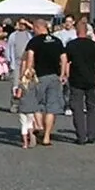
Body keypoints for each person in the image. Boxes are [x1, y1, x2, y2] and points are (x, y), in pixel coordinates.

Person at [22, 18, 67, 146]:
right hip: (54, 76)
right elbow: (63, 58)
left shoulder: (34, 41)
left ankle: (40, 126)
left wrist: (28, 73)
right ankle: (47, 137)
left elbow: (30, 58)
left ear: (36, 27)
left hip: (39, 76)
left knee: (35, 103)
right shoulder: (57, 41)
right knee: (51, 107)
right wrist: (62, 74)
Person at [61, 17, 95, 145]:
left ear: (76, 31)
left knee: (77, 108)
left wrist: (65, 74)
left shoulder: (71, 45)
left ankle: (81, 136)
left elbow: (66, 61)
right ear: (87, 31)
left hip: (76, 80)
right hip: (91, 79)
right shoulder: (93, 45)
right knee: (92, 107)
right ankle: (92, 134)